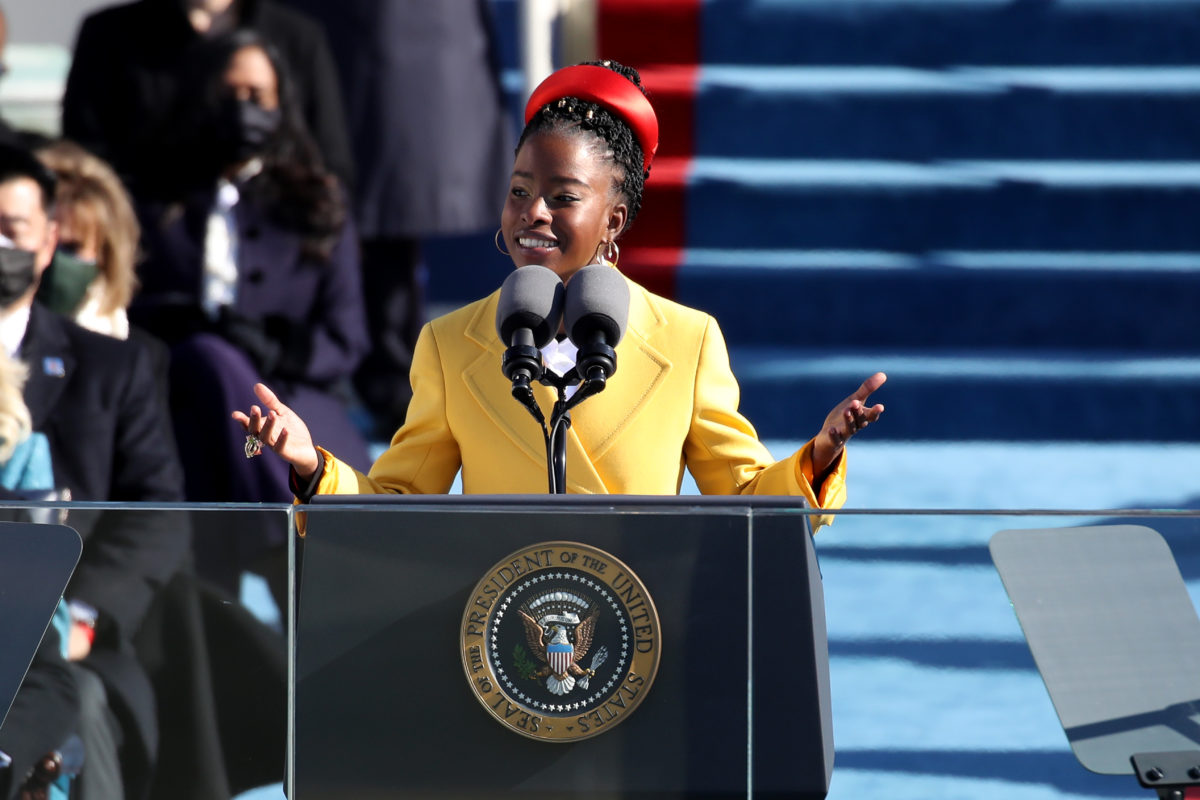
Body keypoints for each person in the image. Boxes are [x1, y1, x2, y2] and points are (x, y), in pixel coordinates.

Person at [234, 61, 886, 516]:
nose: (533, 212)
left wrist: (820, 453)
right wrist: (313, 467)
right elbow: (402, 504)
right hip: (503, 637)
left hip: (640, 631)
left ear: (614, 221)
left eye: (562, 197)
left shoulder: (687, 342)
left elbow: (744, 500)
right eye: (519, 192)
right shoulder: (451, 343)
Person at [131, 31, 369, 596]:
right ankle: (279, 546)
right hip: (184, 400)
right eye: (228, 92)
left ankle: (291, 555)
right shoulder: (150, 201)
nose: (242, 108)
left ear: (281, 104)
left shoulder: (318, 202)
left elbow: (347, 336)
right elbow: (130, 313)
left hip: (297, 393)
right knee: (210, 361)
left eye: (257, 95)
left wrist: (271, 349)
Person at [0, 141, 189, 799]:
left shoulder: (115, 367)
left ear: (47, 240)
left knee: (72, 705)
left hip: (74, 644)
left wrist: (82, 619)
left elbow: (157, 515)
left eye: (10, 230)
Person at [280, 0, 514, 436]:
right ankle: (387, 383)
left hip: (368, 60)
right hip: (341, 53)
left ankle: (391, 386)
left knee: (382, 233)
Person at [61, 0, 353, 203]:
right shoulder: (110, 35)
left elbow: (328, 161)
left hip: (272, 251)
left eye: (254, 94)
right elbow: (84, 159)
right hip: (150, 252)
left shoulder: (296, 37)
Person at [34, 139, 140, 339]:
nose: (52, 259)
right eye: (44, 241)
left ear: (107, 256)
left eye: (71, 247)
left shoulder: (135, 359)